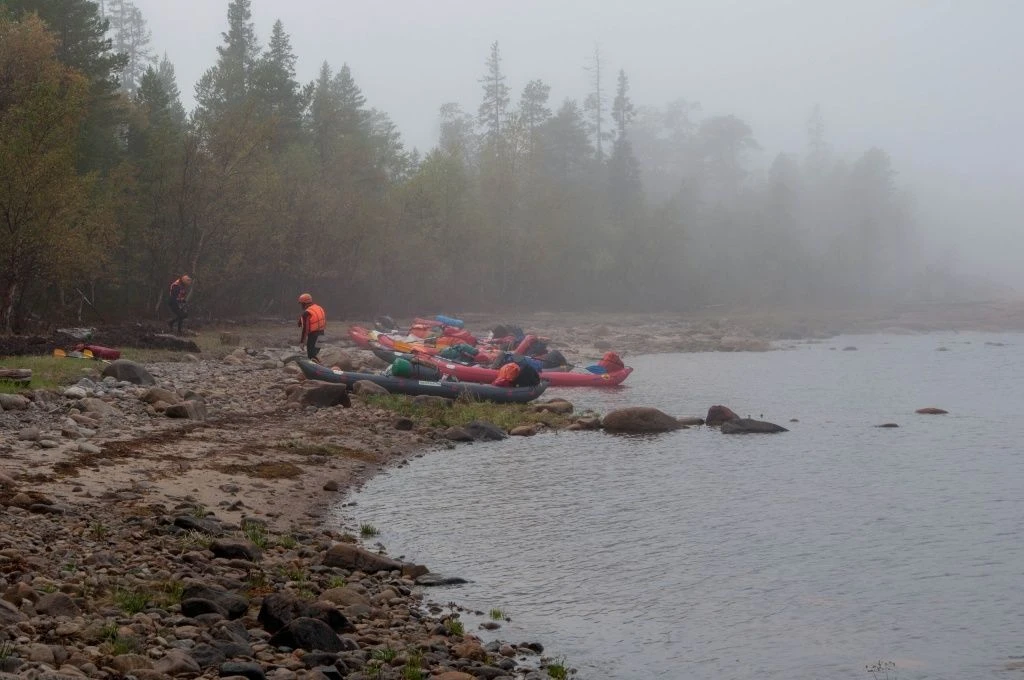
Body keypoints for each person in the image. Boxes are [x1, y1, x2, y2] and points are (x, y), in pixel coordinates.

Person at [297, 293, 326, 362]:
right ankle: (321, 367)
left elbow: (305, 329)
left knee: (311, 356)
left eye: (301, 304)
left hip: (314, 337)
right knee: (316, 355)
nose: (301, 306)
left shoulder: (306, 313)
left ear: (304, 303)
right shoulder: (319, 308)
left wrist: (302, 342)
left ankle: (315, 371)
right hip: (322, 336)